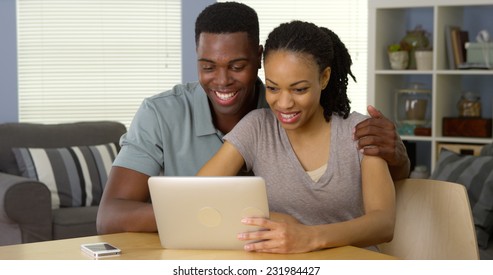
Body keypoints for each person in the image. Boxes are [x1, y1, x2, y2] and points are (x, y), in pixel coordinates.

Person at [97, 2, 406, 235]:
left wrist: (399, 156)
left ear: (258, 59)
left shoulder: (350, 128)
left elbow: (381, 216)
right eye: (207, 66)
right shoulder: (255, 124)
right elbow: (186, 200)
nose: (221, 80)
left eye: (236, 66)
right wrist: (258, 218)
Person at [197, 20, 395, 254]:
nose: (284, 103)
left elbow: (383, 223)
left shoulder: (360, 131)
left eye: (299, 89)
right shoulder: (257, 128)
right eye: (272, 88)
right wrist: (269, 217)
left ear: (324, 78)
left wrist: (310, 237)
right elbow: (197, 195)